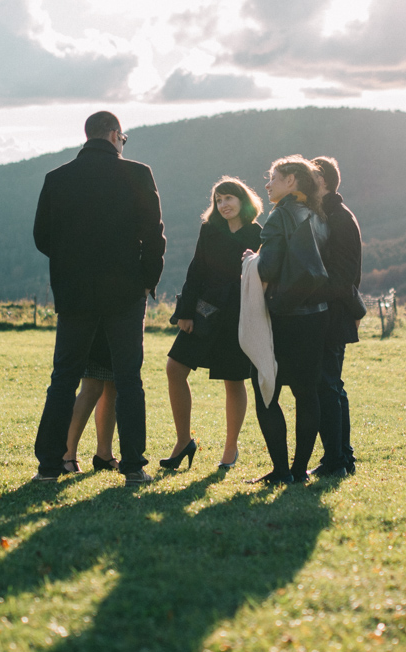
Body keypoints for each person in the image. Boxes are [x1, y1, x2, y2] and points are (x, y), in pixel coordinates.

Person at [31, 111, 166, 485]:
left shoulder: (57, 178)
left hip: (74, 292)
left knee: (63, 378)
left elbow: (43, 236)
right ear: (113, 135)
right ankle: (134, 464)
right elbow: (154, 234)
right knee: (128, 379)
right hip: (125, 291)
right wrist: (147, 280)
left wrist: (71, 264)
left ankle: (48, 465)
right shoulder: (137, 174)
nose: (123, 145)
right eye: (123, 139)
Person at [163, 177, 263, 471]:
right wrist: (185, 312)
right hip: (205, 311)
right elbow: (196, 270)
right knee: (174, 368)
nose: (223, 205)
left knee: (234, 380)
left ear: (243, 201)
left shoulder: (258, 233)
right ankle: (183, 441)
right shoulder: (210, 229)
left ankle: (230, 449)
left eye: (229, 198)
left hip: (238, 314)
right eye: (218, 200)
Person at [250, 156, 330, 485]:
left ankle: (281, 470)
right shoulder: (317, 215)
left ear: (292, 181)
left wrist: (251, 261)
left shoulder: (280, 215)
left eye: (273, 178)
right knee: (307, 393)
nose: (267, 184)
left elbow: (267, 268)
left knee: (265, 391)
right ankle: (300, 471)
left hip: (283, 317)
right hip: (316, 316)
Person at [311, 156, 362, 477]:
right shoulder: (333, 214)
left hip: (332, 313)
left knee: (325, 385)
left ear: (323, 180)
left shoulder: (338, 219)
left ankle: (335, 461)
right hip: (336, 312)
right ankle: (343, 457)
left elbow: (342, 278)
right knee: (332, 385)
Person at [63, 328, 119, 473]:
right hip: (96, 320)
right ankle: (67, 456)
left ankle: (104, 455)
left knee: (112, 385)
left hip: (117, 322)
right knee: (92, 386)